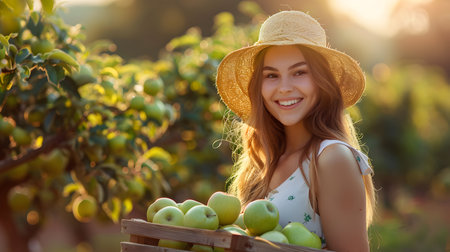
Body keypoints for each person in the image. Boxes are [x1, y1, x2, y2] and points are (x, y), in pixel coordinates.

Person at [215, 10, 376, 251]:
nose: (284, 88)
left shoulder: (331, 158)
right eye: (271, 75)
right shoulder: (262, 163)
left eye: (299, 72)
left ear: (322, 82)